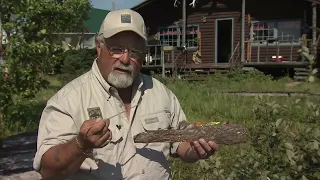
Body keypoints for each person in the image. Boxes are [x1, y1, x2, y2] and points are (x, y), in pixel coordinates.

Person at [33, 9, 219, 180]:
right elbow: (49, 171)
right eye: (116, 49)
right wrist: (81, 145)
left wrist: (195, 149)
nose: (124, 59)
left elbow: (180, 145)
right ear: (99, 46)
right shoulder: (68, 100)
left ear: (143, 54)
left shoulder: (160, 92)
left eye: (134, 51)